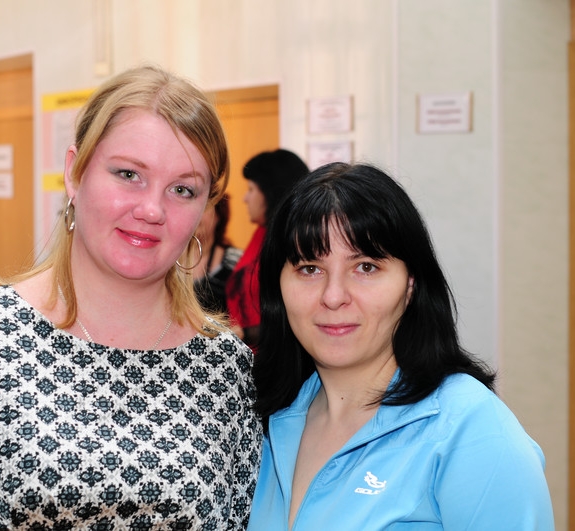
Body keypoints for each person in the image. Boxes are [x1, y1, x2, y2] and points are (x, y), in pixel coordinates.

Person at [0, 65, 262, 530]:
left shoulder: (225, 368)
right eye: (129, 174)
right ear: (75, 173)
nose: (152, 209)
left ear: (204, 209)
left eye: (182, 189)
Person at [247, 163, 555, 530]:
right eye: (310, 268)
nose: (333, 296)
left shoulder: (472, 430)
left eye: (366, 267)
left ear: (410, 285)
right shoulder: (265, 420)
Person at [225, 149, 308, 349]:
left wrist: (245, 333)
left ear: (270, 193)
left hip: (277, 356)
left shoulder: (291, 242)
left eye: (251, 189)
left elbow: (290, 318)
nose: (245, 198)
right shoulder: (262, 234)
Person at [192, 194, 242, 315]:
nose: (195, 214)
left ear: (218, 215)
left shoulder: (236, 261)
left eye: (204, 207)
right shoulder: (167, 258)